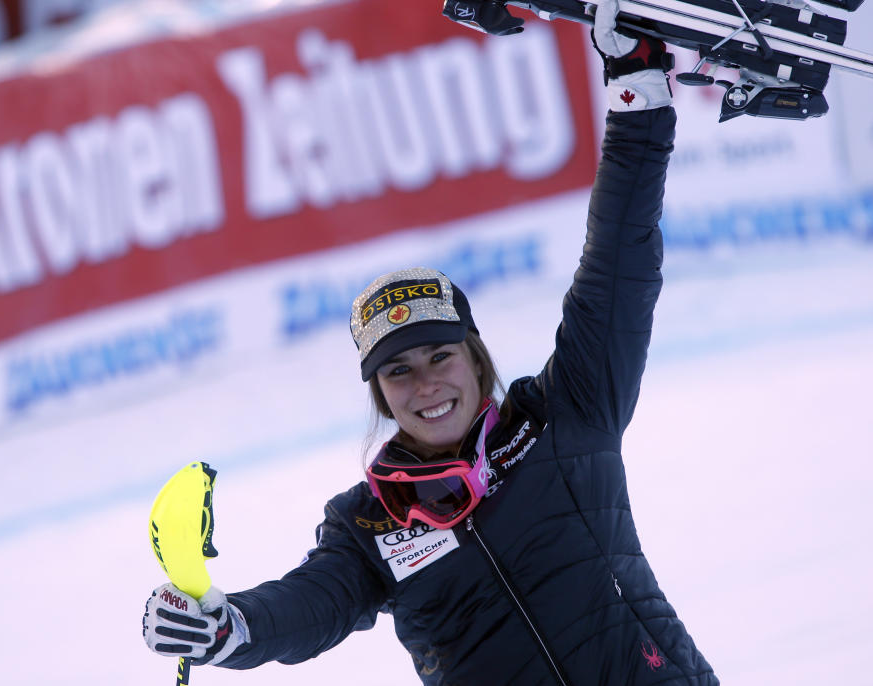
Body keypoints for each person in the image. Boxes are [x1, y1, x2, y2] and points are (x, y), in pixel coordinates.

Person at [143, 1, 718, 683]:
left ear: (475, 358)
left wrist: (637, 97)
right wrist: (232, 626)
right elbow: (310, 605)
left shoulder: (568, 415)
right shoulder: (369, 524)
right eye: (398, 372)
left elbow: (618, 266)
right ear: (380, 396)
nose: (425, 385)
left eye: (440, 355)